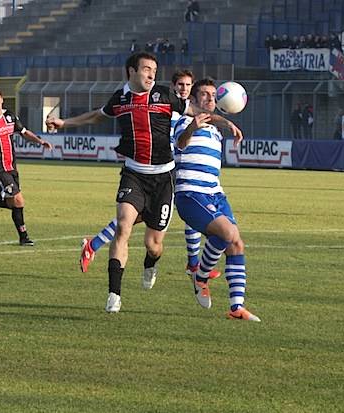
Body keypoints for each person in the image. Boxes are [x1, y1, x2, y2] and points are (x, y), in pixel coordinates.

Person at [46, 52, 241, 313]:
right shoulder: (121, 99)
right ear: (131, 72)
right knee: (123, 227)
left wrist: (225, 121)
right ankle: (114, 295)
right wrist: (64, 122)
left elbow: (197, 112)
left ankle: (151, 263)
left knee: (154, 244)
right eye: (147, 69)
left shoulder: (163, 96)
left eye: (154, 70)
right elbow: (96, 116)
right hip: (133, 174)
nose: (151, 74)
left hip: (163, 178)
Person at [78, 69, 220, 281]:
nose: (184, 88)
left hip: (174, 168)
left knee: (163, 215)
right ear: (173, 87)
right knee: (144, 215)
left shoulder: (183, 109)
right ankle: (192, 264)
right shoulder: (169, 109)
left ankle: (94, 244)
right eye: (180, 85)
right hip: (164, 170)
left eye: (188, 85)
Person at [173, 77, 260, 321]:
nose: (211, 98)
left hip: (216, 193)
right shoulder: (184, 121)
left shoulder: (214, 129)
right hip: (191, 195)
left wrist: (227, 124)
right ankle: (200, 277)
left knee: (236, 244)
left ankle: (236, 307)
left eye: (214, 95)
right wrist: (192, 127)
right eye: (205, 95)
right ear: (193, 100)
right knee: (228, 234)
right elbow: (180, 144)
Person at [0, 87, 52, 245]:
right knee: (19, 200)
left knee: (11, 202)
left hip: (12, 166)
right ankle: (24, 237)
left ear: (2, 99)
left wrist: (40, 141)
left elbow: (24, 132)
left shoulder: (10, 116)